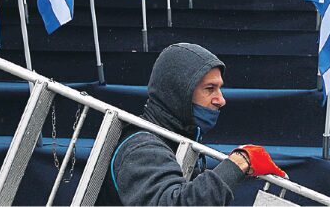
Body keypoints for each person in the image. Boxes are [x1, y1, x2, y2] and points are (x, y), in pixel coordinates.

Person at [96, 43, 286, 206]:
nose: (221, 100)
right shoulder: (142, 148)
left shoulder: (173, 140)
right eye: (210, 89)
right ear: (179, 92)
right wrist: (239, 162)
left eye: (219, 88)